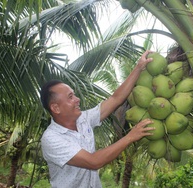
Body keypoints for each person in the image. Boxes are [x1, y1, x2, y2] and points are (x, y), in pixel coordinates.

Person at [40, 50, 155, 188]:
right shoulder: (52, 138)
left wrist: (138, 68)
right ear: (56, 108)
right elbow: (93, 161)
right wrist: (130, 137)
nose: (77, 100)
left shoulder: (84, 119)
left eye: (74, 95)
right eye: (70, 97)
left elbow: (115, 99)